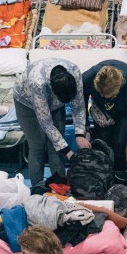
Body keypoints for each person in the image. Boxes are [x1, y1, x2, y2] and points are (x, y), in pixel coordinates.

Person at [14, 58, 88, 186]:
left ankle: (61, 187)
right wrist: (69, 152)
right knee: (37, 147)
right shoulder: (37, 83)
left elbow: (79, 105)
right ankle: (37, 189)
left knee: (56, 148)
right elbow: (46, 124)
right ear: (54, 93)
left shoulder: (75, 72)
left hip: (54, 101)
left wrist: (80, 134)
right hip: (26, 102)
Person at [81, 60, 127, 170]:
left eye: (108, 95)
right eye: (101, 93)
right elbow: (80, 101)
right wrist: (85, 126)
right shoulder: (87, 78)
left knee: (119, 144)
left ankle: (120, 174)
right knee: (103, 145)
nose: (104, 96)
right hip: (101, 109)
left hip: (124, 112)